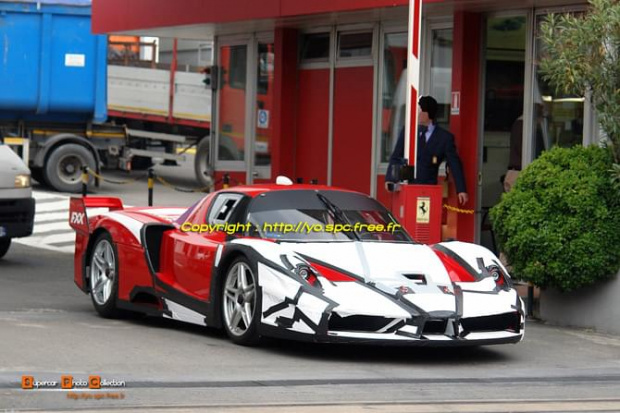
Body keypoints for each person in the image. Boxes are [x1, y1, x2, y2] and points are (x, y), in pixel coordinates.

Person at [386, 96, 469, 205]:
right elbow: (396, 156)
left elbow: (454, 164)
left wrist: (461, 189)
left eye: (420, 110)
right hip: (407, 187)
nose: (417, 113)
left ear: (428, 113)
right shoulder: (408, 131)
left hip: (429, 189)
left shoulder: (444, 138)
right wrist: (390, 178)